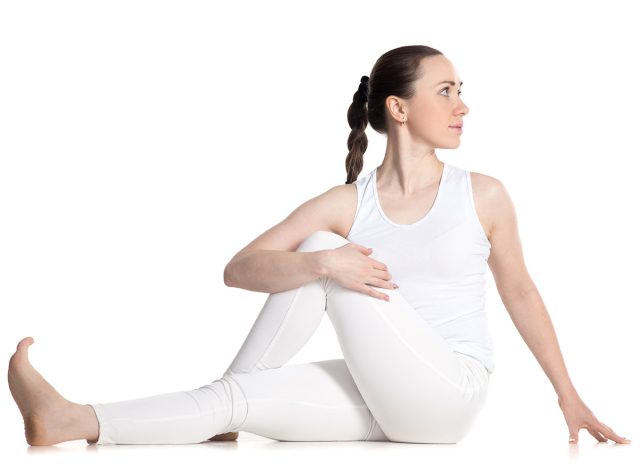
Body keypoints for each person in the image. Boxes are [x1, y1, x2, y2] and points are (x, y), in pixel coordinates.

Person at [8, 45, 630, 446]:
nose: (463, 105)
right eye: (446, 91)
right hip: (383, 397)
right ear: (399, 107)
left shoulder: (483, 194)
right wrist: (323, 260)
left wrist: (569, 397)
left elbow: (519, 291)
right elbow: (240, 268)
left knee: (323, 252)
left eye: (460, 91)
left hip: (449, 392)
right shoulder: (348, 203)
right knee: (294, 291)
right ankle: (75, 419)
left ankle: (224, 412)